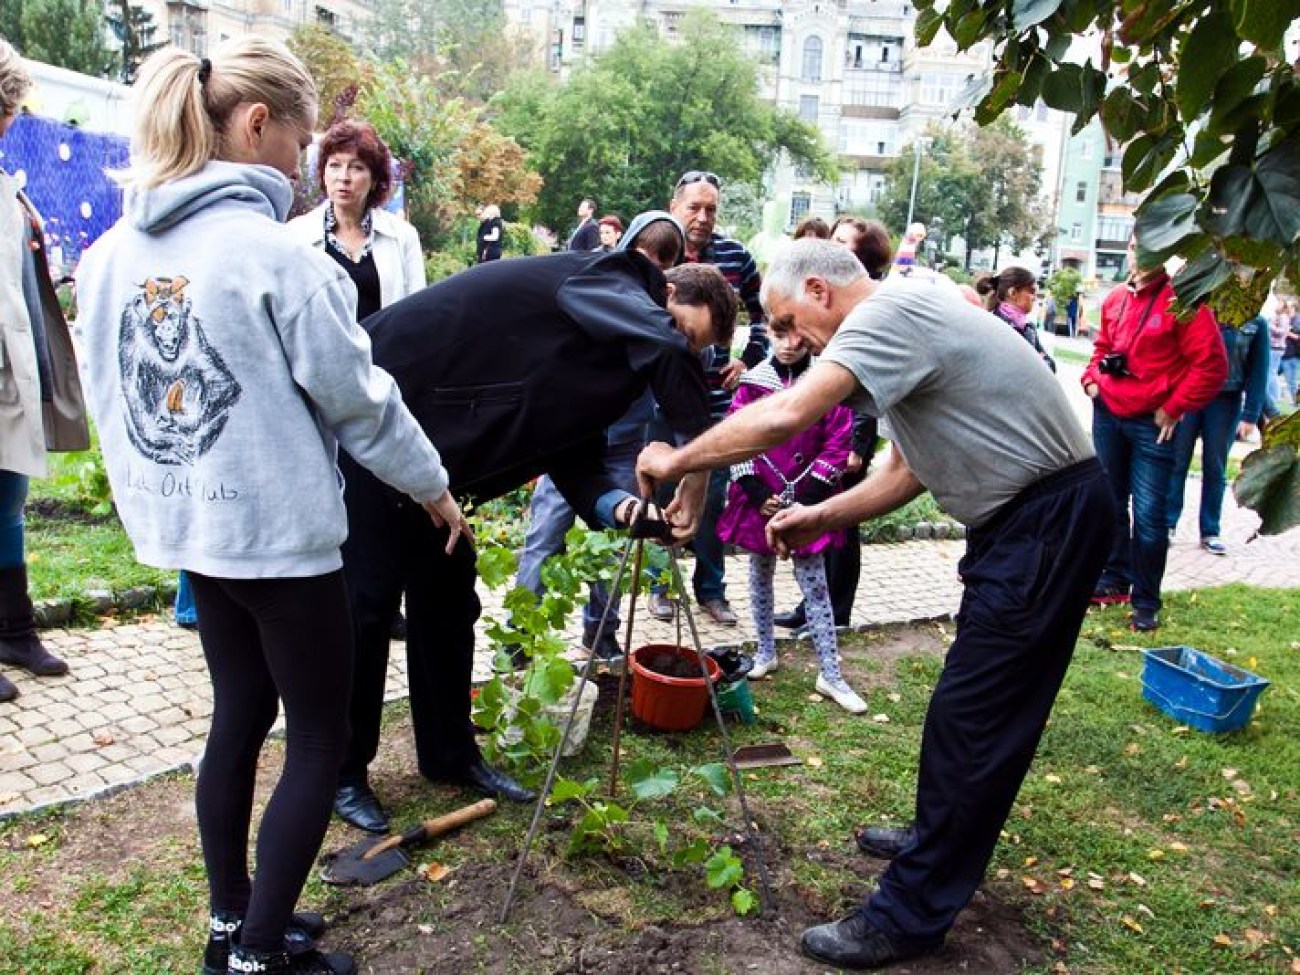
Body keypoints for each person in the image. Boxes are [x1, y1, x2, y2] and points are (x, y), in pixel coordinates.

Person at [74, 39, 467, 975]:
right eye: (299, 142)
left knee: (238, 715)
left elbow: (112, 396)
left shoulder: (109, 253)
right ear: (256, 125)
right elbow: (360, 399)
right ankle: (257, 954)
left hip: (196, 536)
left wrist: (156, 500)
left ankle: (229, 922)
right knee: (319, 737)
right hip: (282, 547)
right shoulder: (277, 258)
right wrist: (432, 486)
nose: (302, 166)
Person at [637, 239, 1115, 969]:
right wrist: (823, 516)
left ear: (822, 291)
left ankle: (910, 915)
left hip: (1046, 523)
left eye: (789, 321)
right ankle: (934, 840)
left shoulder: (888, 313)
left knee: (978, 719)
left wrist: (677, 458)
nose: (789, 341)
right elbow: (907, 471)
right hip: (1027, 524)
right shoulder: (908, 325)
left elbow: (785, 414)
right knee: (966, 710)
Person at [333, 248, 737, 836]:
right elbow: (667, 347)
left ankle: (449, 754)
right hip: (378, 437)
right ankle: (344, 774)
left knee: (448, 607)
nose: (676, 348)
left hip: (447, 476)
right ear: (666, 295)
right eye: (682, 329)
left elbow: (574, 456)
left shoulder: (606, 359)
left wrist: (621, 509)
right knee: (365, 611)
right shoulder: (612, 279)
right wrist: (696, 471)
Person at [512, 211, 686, 664]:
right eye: (646, 258)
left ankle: (600, 634)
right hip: (571, 446)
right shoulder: (600, 291)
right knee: (543, 539)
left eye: (663, 263)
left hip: (626, 450)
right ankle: (517, 639)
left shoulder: (664, 310)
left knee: (611, 547)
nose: (652, 270)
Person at [288, 118, 427, 643]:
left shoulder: (400, 237)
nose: (344, 178)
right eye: (335, 166)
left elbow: (415, 315)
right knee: (326, 492)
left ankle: (378, 599)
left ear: (375, 179)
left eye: (357, 168)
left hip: (378, 383)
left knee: (376, 493)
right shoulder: (296, 236)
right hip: (317, 386)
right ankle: (330, 601)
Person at [0, 38, 90, 705]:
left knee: (9, 500)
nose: (9, 117)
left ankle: (14, 627)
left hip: (11, 369)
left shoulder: (8, 188)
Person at [716, 326, 866, 713]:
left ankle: (830, 672)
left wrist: (805, 501)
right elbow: (735, 435)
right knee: (759, 573)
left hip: (805, 502)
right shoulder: (752, 385)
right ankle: (766, 651)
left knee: (815, 585)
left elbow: (838, 442)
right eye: (779, 335)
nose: (788, 345)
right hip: (759, 501)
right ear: (768, 334)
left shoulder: (825, 385)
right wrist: (755, 491)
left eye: (796, 336)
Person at [645, 169, 769, 627]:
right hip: (659, 402)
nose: (702, 217)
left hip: (713, 405)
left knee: (711, 499)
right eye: (694, 207)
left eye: (711, 208)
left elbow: (763, 315)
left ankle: (711, 590)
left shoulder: (737, 256)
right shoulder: (661, 253)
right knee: (658, 493)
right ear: (675, 206)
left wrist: (749, 359)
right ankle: (661, 587)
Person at [1084, 235, 1226, 631]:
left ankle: (1146, 600)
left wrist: (1174, 407)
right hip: (1109, 413)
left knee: (1148, 515)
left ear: (1164, 253)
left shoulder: (1183, 300)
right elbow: (1100, 348)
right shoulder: (1116, 299)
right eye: (1133, 246)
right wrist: (1091, 380)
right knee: (1111, 503)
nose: (1139, 252)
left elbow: (1211, 365)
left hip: (1152, 424)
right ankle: (1114, 579)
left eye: (1149, 246)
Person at [776, 216, 888, 634]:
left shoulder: (872, 312)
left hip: (850, 439)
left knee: (841, 527)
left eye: (843, 242)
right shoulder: (839, 313)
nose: (832, 247)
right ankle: (812, 606)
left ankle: (836, 612)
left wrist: (857, 446)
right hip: (833, 431)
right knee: (823, 519)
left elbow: (865, 393)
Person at [1165, 312, 1271, 554]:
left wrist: (1251, 414)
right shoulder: (1198, 309)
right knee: (1177, 461)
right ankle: (1167, 523)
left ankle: (1210, 530)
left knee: (1215, 467)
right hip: (1189, 395)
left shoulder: (1255, 321)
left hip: (1225, 401)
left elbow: (1259, 370)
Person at [975, 266, 1055, 372]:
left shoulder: (1028, 327)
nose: (1034, 298)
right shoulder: (994, 325)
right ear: (1013, 293)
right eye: (1031, 291)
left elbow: (1051, 367)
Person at [1282, 301, 1300, 406]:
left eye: (1288, 307)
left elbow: (1298, 337)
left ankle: (1295, 402)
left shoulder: (1297, 320)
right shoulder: (1287, 319)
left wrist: (1288, 333)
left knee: (1291, 380)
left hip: (1292, 355)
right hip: (1284, 354)